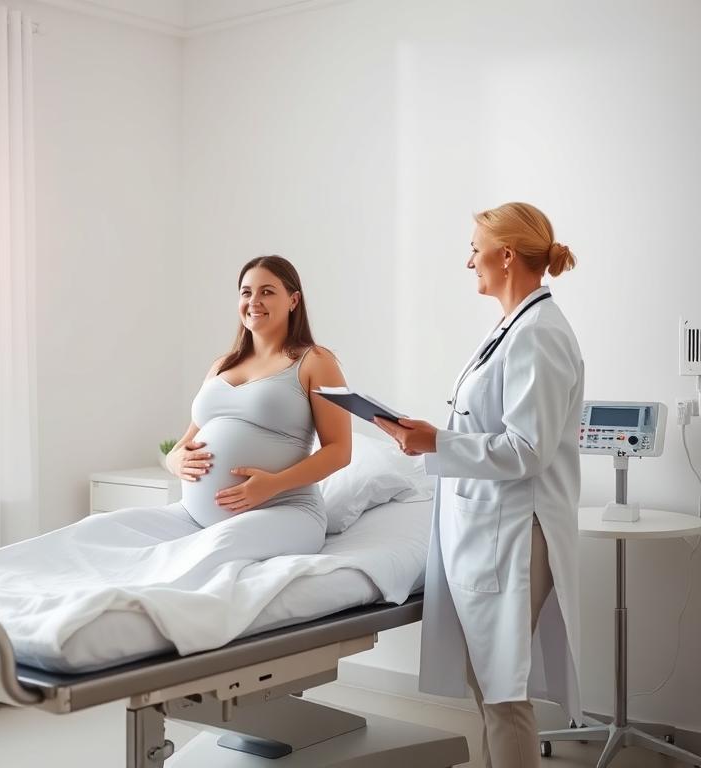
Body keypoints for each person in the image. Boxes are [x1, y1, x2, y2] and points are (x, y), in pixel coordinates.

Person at [375, 202, 584, 768]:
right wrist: (431, 437)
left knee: (502, 689)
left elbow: (527, 448)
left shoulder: (537, 335)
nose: (470, 261)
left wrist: (436, 443)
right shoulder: (513, 327)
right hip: (489, 525)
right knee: (487, 678)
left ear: (507, 255)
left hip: (513, 532)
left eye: (475, 248)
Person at [79, 254, 351, 569]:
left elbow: (339, 450)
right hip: (194, 516)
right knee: (98, 530)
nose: (254, 300)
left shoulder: (316, 361)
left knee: (214, 547)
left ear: (293, 300)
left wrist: (273, 484)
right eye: (246, 292)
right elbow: (184, 444)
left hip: (286, 511)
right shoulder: (222, 366)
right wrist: (174, 459)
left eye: (267, 291)